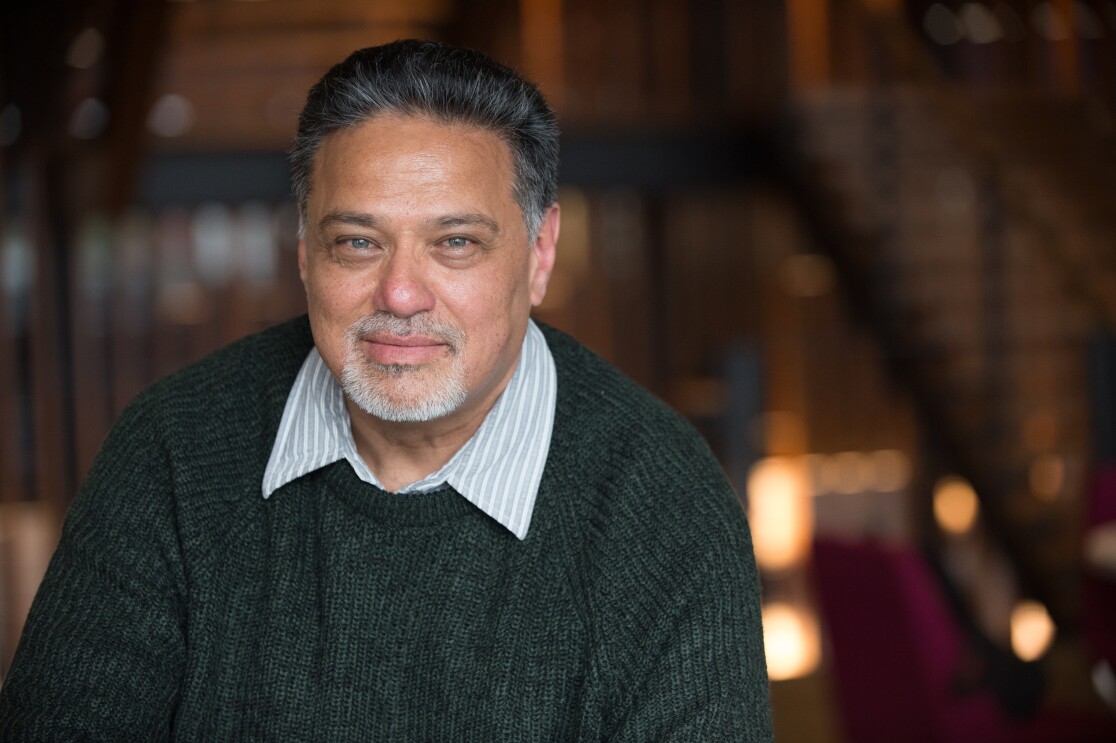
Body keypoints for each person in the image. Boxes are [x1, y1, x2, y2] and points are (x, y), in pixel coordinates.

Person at [0, 39, 773, 741]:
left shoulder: (665, 504)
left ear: (540, 254)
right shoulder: (171, 452)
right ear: (305, 255)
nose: (400, 292)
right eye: (358, 242)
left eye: (456, 242)